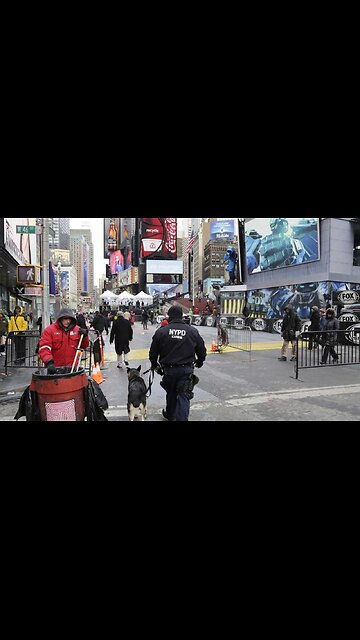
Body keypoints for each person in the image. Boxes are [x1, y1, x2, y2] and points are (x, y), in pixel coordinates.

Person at [149, 305, 207, 422]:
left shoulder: (161, 332)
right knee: (183, 395)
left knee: (170, 393)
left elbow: (153, 352)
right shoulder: (192, 331)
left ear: (169, 316)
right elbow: (201, 349)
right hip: (186, 369)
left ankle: (170, 414)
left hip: (169, 370)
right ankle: (180, 418)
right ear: (182, 316)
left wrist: (155, 365)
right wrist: (200, 361)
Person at [39, 308, 89, 373]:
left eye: (69, 319)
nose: (68, 321)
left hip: (72, 368)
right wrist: (49, 362)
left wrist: (85, 337)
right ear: (60, 319)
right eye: (65, 319)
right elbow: (44, 348)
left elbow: (84, 346)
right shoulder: (50, 330)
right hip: (55, 369)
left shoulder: (77, 330)